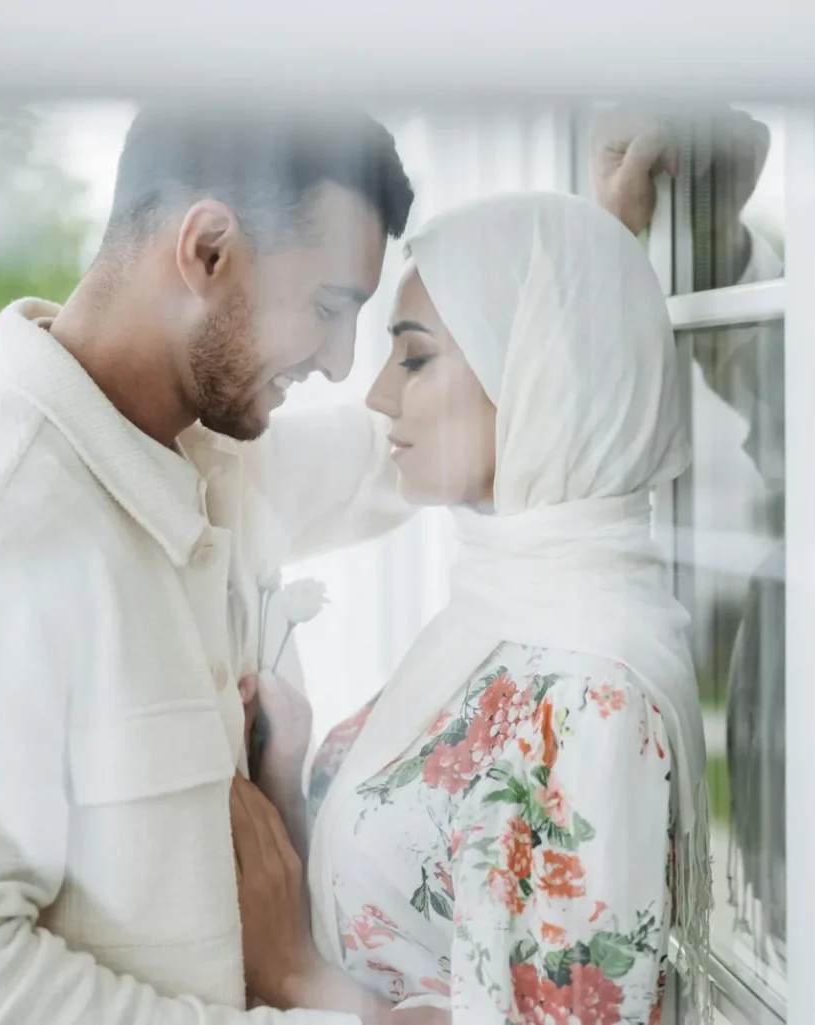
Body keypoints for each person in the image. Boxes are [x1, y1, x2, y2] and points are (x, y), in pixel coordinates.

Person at [0, 108, 418, 1025]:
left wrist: (598, 253)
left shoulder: (218, 456)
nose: (342, 363)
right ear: (209, 249)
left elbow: (415, 439)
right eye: (330, 308)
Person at [231, 191, 720, 1025]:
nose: (379, 393)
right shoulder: (504, 606)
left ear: (538, 378)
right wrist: (291, 775)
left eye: (414, 359)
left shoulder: (590, 693)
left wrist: (292, 975)